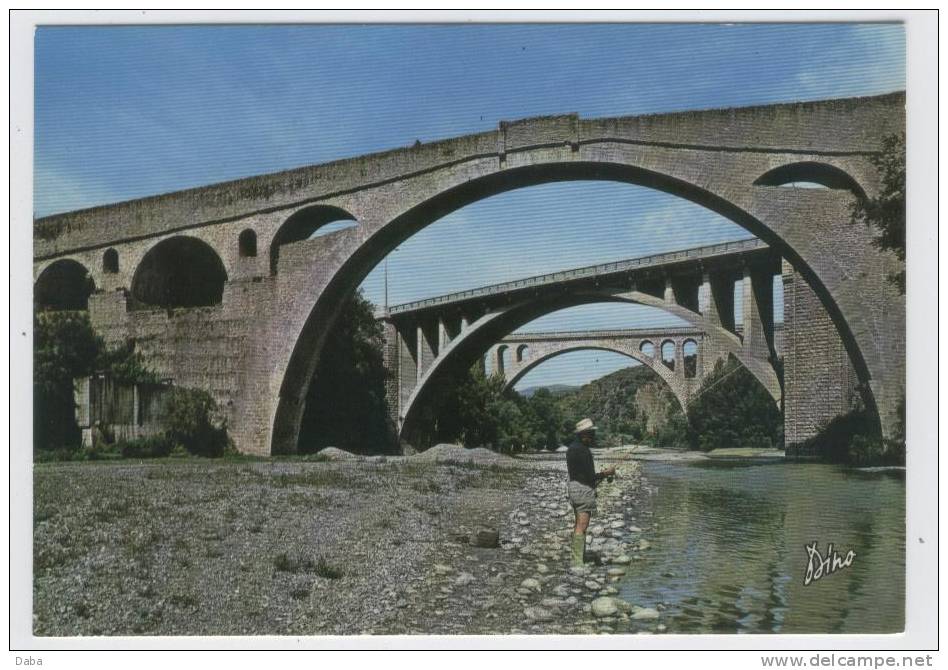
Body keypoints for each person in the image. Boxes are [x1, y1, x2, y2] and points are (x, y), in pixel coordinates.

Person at [566, 418, 616, 568]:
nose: (593, 437)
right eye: (591, 434)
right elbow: (589, 477)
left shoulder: (571, 448)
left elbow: (578, 474)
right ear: (584, 434)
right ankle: (577, 562)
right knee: (582, 525)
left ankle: (577, 557)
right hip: (583, 491)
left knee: (577, 524)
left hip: (573, 488)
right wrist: (606, 473)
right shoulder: (584, 451)